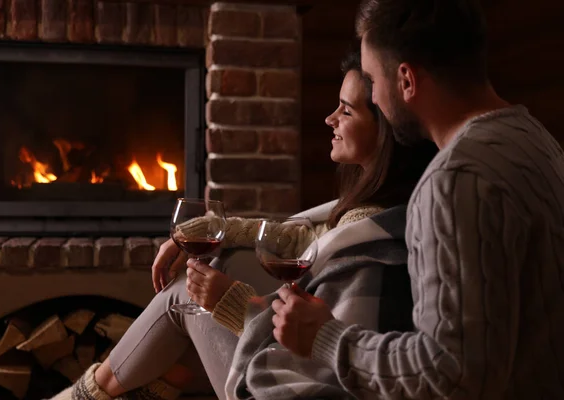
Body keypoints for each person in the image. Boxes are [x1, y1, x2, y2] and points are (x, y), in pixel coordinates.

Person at [51, 49, 437, 400]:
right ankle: (142, 391)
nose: (329, 119)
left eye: (346, 111)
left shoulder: (374, 241)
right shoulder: (374, 210)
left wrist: (232, 304)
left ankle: (87, 396)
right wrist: (210, 231)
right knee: (218, 271)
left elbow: (327, 362)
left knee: (185, 295)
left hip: (293, 389)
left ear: (384, 131)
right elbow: (302, 238)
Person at [267, 0, 564, 399]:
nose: (374, 97)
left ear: (406, 79)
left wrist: (326, 338)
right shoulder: (535, 138)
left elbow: (450, 375)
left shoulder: (453, 180)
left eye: (372, 82)